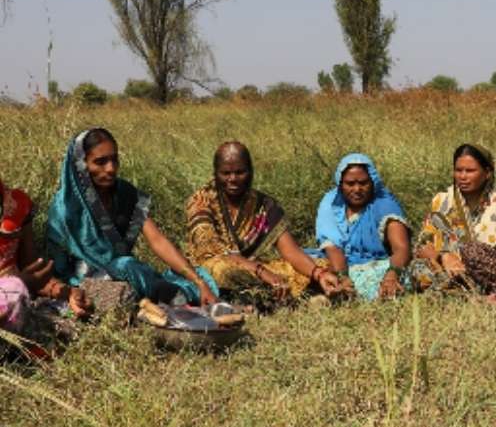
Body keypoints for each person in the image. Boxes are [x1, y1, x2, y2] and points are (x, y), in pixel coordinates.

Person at [47, 128, 218, 307]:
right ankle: (172, 299)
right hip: (81, 284)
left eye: (114, 159)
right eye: (100, 162)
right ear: (80, 164)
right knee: (127, 268)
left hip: (126, 274)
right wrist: (72, 291)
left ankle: (176, 296)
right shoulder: (65, 207)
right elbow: (59, 268)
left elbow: (158, 240)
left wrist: (199, 282)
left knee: (197, 276)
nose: (111, 168)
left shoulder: (125, 194)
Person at [185, 142, 344, 306]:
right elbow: (216, 254)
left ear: (251, 172)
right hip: (213, 269)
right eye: (226, 173)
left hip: (253, 268)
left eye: (240, 172)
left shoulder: (263, 205)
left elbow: (290, 250)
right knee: (224, 271)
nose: (232, 179)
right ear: (215, 173)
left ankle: (271, 298)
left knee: (319, 264)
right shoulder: (200, 202)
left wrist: (319, 273)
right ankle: (274, 299)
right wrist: (262, 272)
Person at [409, 144, 496, 294]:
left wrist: (472, 261)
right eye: (458, 170)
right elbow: (423, 246)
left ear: (487, 173)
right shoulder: (442, 202)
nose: (462, 176)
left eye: (470, 171)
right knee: (419, 268)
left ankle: (460, 290)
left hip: (484, 271)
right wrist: (444, 256)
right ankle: (455, 289)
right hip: (445, 268)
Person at [310, 153, 411, 301]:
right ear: (340, 184)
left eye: (363, 183)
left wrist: (392, 274)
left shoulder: (384, 203)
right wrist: (343, 277)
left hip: (375, 265)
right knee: (305, 267)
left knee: (412, 272)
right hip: (337, 264)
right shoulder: (331, 202)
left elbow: (401, 248)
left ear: (372, 182)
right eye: (350, 184)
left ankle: (336, 297)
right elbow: (332, 248)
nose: (357, 189)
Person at [2, 177, 90, 335]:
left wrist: (66, 292)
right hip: (8, 301)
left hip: (16, 299)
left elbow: (33, 271)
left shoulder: (18, 204)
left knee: (83, 309)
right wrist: (19, 283)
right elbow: (25, 281)